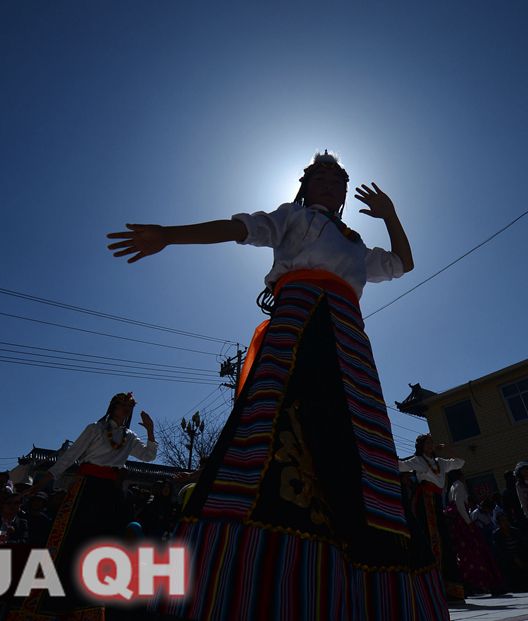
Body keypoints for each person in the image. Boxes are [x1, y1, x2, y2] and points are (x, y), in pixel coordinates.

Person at [107, 152, 446, 619]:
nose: (332, 184)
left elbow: (403, 263)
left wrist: (390, 215)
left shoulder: (355, 244)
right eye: (322, 176)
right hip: (298, 324)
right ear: (305, 185)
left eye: (339, 180)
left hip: (349, 340)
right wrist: (169, 235)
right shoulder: (293, 217)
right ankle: (250, 582)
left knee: (361, 450)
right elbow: (235, 228)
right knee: (272, 432)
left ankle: (367, 589)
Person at [22, 392, 157, 616]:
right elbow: (69, 457)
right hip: (87, 488)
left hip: (112, 493)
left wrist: (150, 430)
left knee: (113, 543)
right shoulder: (95, 428)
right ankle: (59, 601)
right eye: (121, 405)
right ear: (112, 407)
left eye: (128, 406)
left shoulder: (130, 436)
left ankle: (108, 602)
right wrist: (42, 482)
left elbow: (148, 456)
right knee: (74, 540)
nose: (125, 409)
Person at [400, 435, 467, 602]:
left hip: (437, 503)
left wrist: (448, 448)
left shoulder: (441, 462)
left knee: (443, 540)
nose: (430, 445)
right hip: (424, 503)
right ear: (421, 446)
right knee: (430, 539)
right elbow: (400, 465)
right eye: (427, 443)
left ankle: (450, 588)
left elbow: (460, 462)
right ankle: (431, 587)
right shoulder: (417, 461)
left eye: (431, 442)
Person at [444, 469, 505, 596]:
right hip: (464, 525)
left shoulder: (450, 488)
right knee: (478, 554)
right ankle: (488, 583)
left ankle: (471, 584)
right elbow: (460, 505)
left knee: (466, 556)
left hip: (459, 527)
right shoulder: (459, 485)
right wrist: (469, 523)